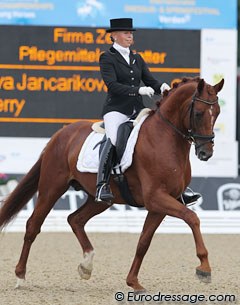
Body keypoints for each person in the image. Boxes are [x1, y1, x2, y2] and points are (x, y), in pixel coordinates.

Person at [95, 18, 201, 206]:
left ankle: (179, 190)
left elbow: (150, 80)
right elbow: (112, 85)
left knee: (160, 137)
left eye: (131, 33)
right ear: (114, 36)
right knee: (112, 138)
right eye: (126, 33)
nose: (130, 36)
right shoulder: (107, 58)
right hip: (116, 110)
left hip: (137, 110)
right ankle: (102, 184)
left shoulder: (137, 58)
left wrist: (164, 88)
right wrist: (137, 90)